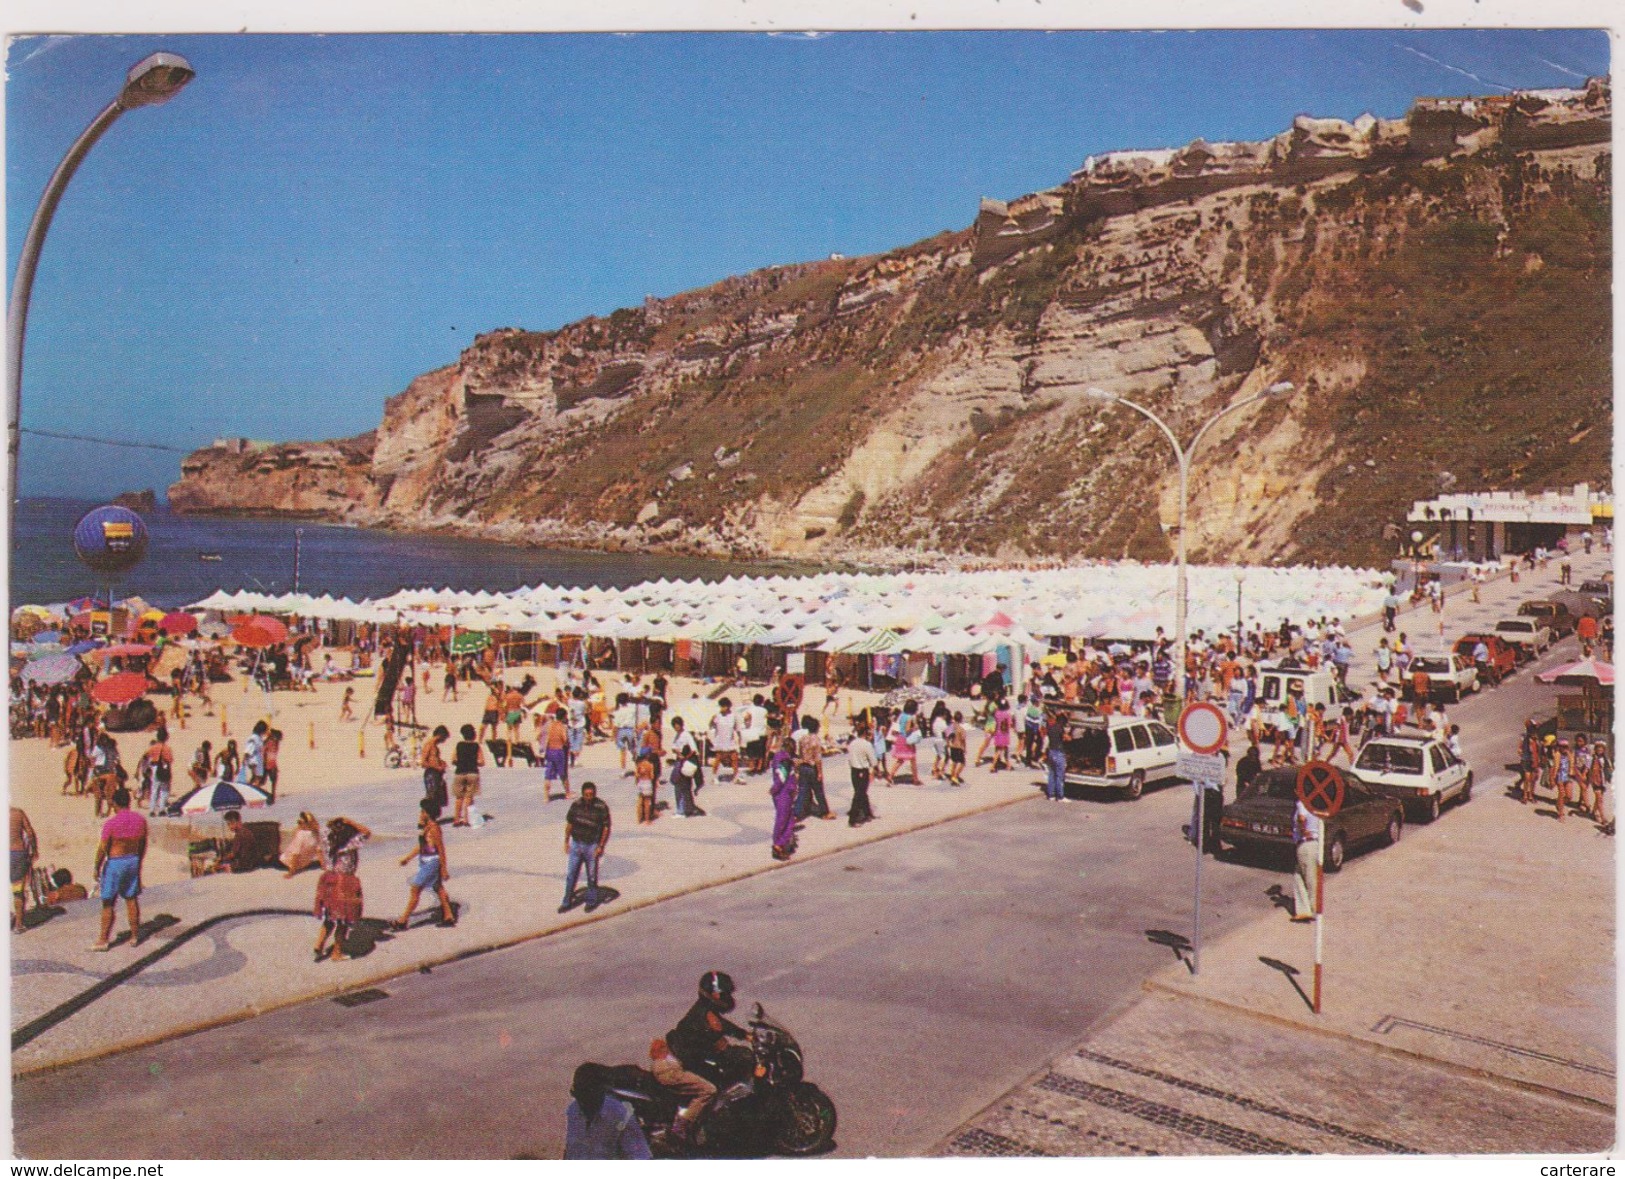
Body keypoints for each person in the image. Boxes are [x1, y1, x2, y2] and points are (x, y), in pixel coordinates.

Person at [657, 971, 748, 1143]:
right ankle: (680, 1129)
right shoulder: (705, 1019)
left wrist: (746, 1035)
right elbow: (721, 1045)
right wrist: (742, 1053)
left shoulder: (707, 1012)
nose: (728, 998)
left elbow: (724, 1026)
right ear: (713, 995)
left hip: (676, 1061)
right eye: (724, 994)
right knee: (709, 1090)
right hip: (672, 1068)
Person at [91, 787, 147, 951]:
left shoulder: (111, 823)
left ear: (114, 803)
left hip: (115, 862)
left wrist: (96, 866)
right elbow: (142, 843)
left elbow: (103, 848)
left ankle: (103, 940)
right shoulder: (140, 820)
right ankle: (135, 936)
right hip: (133, 859)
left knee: (108, 902)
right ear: (129, 802)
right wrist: (139, 860)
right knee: (131, 899)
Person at [563, 1063, 652, 1160]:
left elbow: (639, 1156)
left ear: (601, 1094)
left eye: (587, 1097)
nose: (582, 1103)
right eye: (579, 1097)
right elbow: (571, 1151)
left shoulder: (620, 1115)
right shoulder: (573, 1110)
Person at [392, 797, 456, 930]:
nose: (420, 814)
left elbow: (441, 850)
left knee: (415, 889)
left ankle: (403, 921)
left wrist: (444, 869)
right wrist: (408, 858)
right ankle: (449, 916)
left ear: (428, 813)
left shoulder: (434, 829)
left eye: (422, 811)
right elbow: (422, 846)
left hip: (431, 863)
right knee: (438, 888)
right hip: (426, 862)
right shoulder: (427, 827)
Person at [313, 816, 371, 962]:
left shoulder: (327, 840)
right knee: (343, 920)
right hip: (344, 882)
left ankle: (319, 945)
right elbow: (367, 832)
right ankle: (336, 953)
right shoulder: (350, 843)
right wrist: (349, 821)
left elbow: (319, 848)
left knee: (329, 917)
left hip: (328, 879)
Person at [560, 782, 612, 913]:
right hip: (576, 844)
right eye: (587, 795)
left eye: (592, 794)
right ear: (583, 794)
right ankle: (566, 901)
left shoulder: (601, 806)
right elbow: (570, 824)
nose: (589, 797)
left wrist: (601, 846)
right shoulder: (576, 805)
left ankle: (591, 901)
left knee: (592, 875)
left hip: (592, 846)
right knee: (571, 874)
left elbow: (606, 827)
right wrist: (566, 841)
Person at [1291, 795, 1322, 922]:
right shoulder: (1316, 805)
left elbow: (1301, 818)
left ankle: (1312, 911)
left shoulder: (1302, 803)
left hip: (1306, 844)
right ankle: (1304, 909)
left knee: (1309, 878)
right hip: (1315, 844)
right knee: (1298, 875)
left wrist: (1303, 830)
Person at [796, 717, 832, 820]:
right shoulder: (816, 740)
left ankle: (797, 813)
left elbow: (800, 754)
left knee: (802, 791)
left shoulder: (803, 739)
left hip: (803, 766)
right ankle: (825, 812)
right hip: (812, 768)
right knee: (819, 791)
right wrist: (820, 772)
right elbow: (817, 758)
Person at [669, 717, 704, 818]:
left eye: (677, 725)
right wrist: (677, 752)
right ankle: (686, 809)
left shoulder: (686, 735)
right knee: (682, 786)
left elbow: (693, 749)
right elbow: (674, 747)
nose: (676, 727)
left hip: (685, 763)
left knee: (682, 786)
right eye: (675, 725)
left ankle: (682, 810)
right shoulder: (677, 735)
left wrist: (685, 758)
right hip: (679, 761)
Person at [451, 723, 484, 827]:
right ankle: (466, 819)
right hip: (472, 772)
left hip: (460, 772)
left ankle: (456, 819)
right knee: (469, 797)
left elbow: (453, 760)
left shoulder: (459, 745)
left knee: (459, 798)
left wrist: (461, 762)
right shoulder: (476, 746)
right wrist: (474, 763)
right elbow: (482, 761)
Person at [769, 740, 797, 860]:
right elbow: (782, 777)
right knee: (783, 819)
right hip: (784, 793)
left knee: (788, 819)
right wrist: (775, 789)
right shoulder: (785, 760)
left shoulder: (778, 756)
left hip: (783, 793)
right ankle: (778, 845)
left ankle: (781, 842)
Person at [11, 806, 37, 933]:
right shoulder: (17, 813)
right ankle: (18, 925)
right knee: (18, 890)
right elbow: (30, 833)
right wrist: (34, 850)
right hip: (17, 853)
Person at [846, 721, 876, 826]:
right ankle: (853, 819)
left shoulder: (852, 743)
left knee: (860, 792)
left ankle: (867, 812)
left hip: (854, 770)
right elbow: (873, 761)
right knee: (859, 794)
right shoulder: (867, 745)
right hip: (863, 770)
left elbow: (849, 759)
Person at [542, 708, 572, 803]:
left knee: (548, 775)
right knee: (563, 774)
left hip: (550, 750)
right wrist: (568, 744)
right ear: (564, 717)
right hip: (559, 751)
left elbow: (544, 737)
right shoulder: (563, 727)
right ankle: (567, 793)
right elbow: (565, 739)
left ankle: (546, 797)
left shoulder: (550, 725)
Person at [709, 698, 741, 783]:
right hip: (720, 740)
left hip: (730, 740)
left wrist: (739, 741)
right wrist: (711, 720)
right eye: (721, 706)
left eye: (723, 706)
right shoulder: (717, 716)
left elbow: (737, 729)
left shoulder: (733, 716)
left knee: (734, 758)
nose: (722, 708)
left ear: (728, 706)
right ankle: (714, 776)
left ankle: (736, 776)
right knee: (718, 758)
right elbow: (711, 726)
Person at [282, 811, 323, 877]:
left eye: (300, 823)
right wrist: (324, 866)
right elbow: (319, 852)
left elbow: (295, 854)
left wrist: (291, 873)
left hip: (288, 863)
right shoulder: (315, 834)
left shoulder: (301, 834)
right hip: (298, 864)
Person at [145, 727, 174, 817]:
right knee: (164, 789)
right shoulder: (167, 748)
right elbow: (170, 759)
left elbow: (146, 755)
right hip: (164, 768)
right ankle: (162, 809)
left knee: (154, 789)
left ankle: (152, 810)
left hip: (154, 767)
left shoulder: (153, 747)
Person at [421, 724, 450, 812]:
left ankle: (431, 817)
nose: (444, 741)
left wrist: (442, 763)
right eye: (444, 738)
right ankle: (423, 819)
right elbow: (423, 762)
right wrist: (437, 767)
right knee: (430, 797)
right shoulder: (429, 745)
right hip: (431, 774)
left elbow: (433, 759)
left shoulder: (434, 746)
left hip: (436, 773)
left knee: (436, 796)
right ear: (440, 735)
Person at [1044, 708, 1069, 802]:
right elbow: (1066, 738)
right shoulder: (1059, 728)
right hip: (1059, 752)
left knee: (1051, 773)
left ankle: (1051, 795)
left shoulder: (1049, 727)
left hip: (1051, 751)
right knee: (1059, 775)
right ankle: (1060, 796)